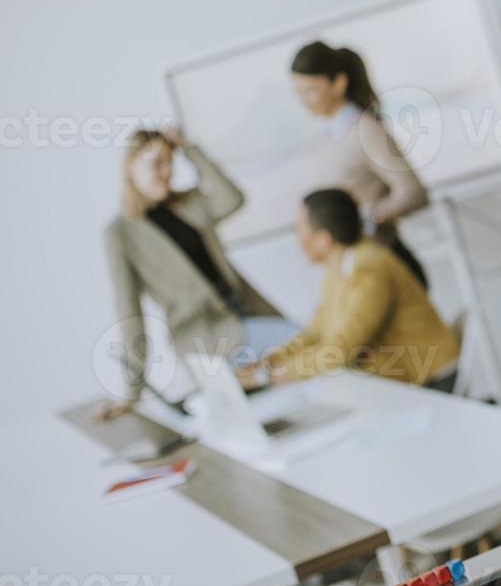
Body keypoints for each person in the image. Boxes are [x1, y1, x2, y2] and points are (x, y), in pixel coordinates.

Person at [95, 128, 295, 420]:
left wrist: (188, 148)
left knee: (302, 372)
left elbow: (232, 198)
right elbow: (130, 311)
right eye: (156, 164)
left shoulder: (188, 203)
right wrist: (132, 392)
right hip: (207, 338)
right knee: (311, 348)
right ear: (130, 167)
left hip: (247, 315)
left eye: (169, 162)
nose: (167, 173)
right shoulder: (121, 234)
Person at [250, 188, 459, 389]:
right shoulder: (338, 268)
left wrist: (267, 377)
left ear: (324, 239)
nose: (297, 238)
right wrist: (266, 364)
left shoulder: (370, 268)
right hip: (400, 381)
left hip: (431, 379)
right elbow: (315, 332)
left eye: (299, 229)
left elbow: (341, 350)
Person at [290, 40, 431, 288]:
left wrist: (367, 216)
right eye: (298, 92)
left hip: (387, 263)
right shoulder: (324, 139)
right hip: (358, 268)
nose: (304, 100)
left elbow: (414, 192)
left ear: (339, 83)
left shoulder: (365, 131)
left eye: (310, 90)